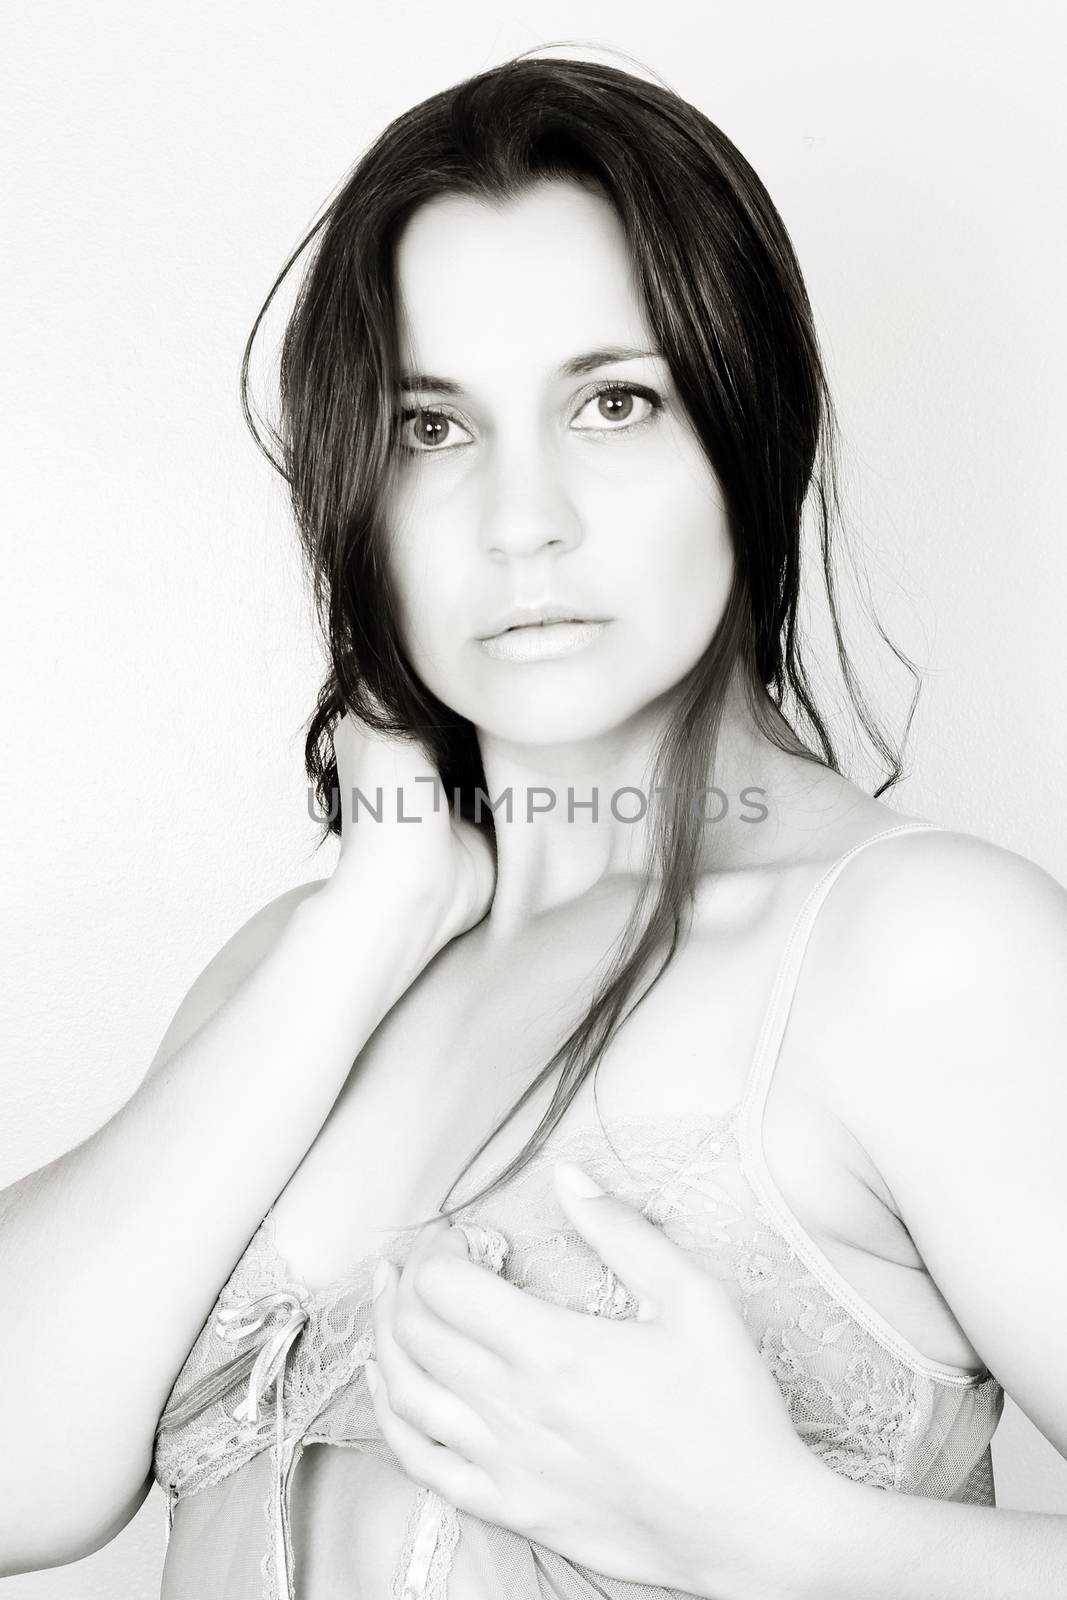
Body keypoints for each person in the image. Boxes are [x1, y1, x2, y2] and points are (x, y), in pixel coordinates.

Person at [2, 50, 1065, 1600]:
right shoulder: (309, 971)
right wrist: (370, 918)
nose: (522, 519)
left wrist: (803, 1546)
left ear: (746, 432)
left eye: (615, 402)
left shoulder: (916, 954)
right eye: (434, 428)